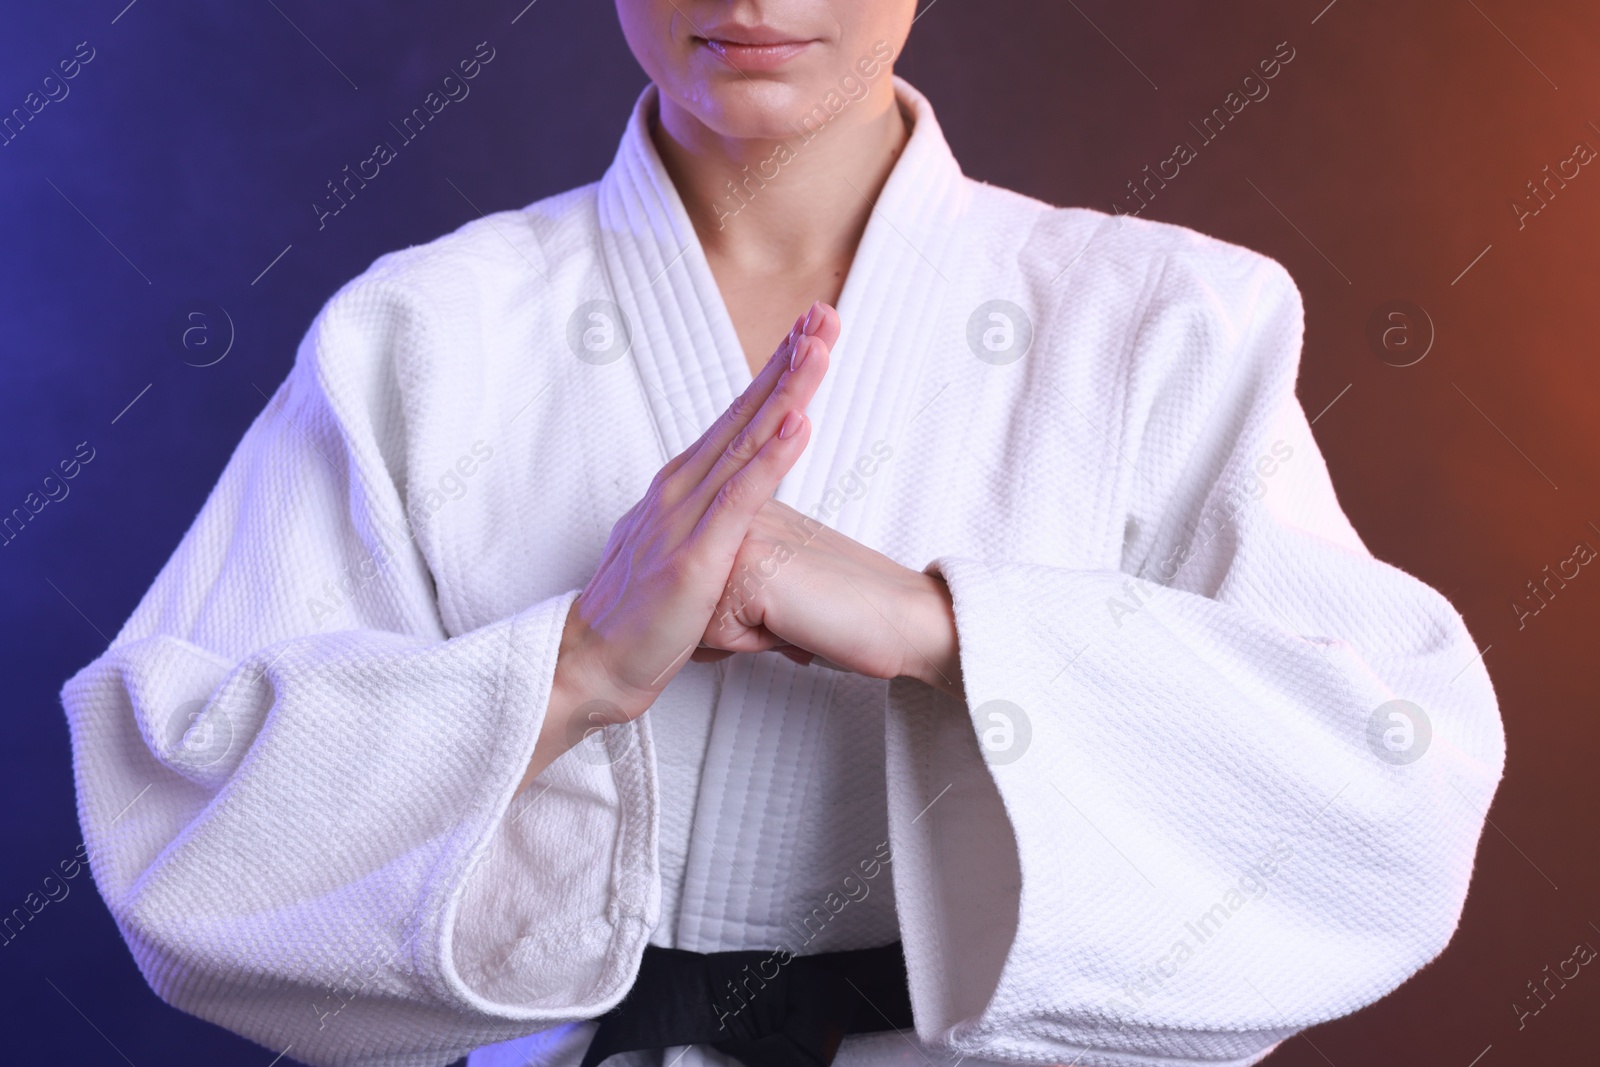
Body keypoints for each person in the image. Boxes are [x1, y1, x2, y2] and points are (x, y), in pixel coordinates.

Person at [59, 3, 1506, 1066]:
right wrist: (572, 667)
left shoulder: (1166, 323)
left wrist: (946, 630)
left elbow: (1386, 791)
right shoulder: (421, 330)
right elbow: (177, 824)